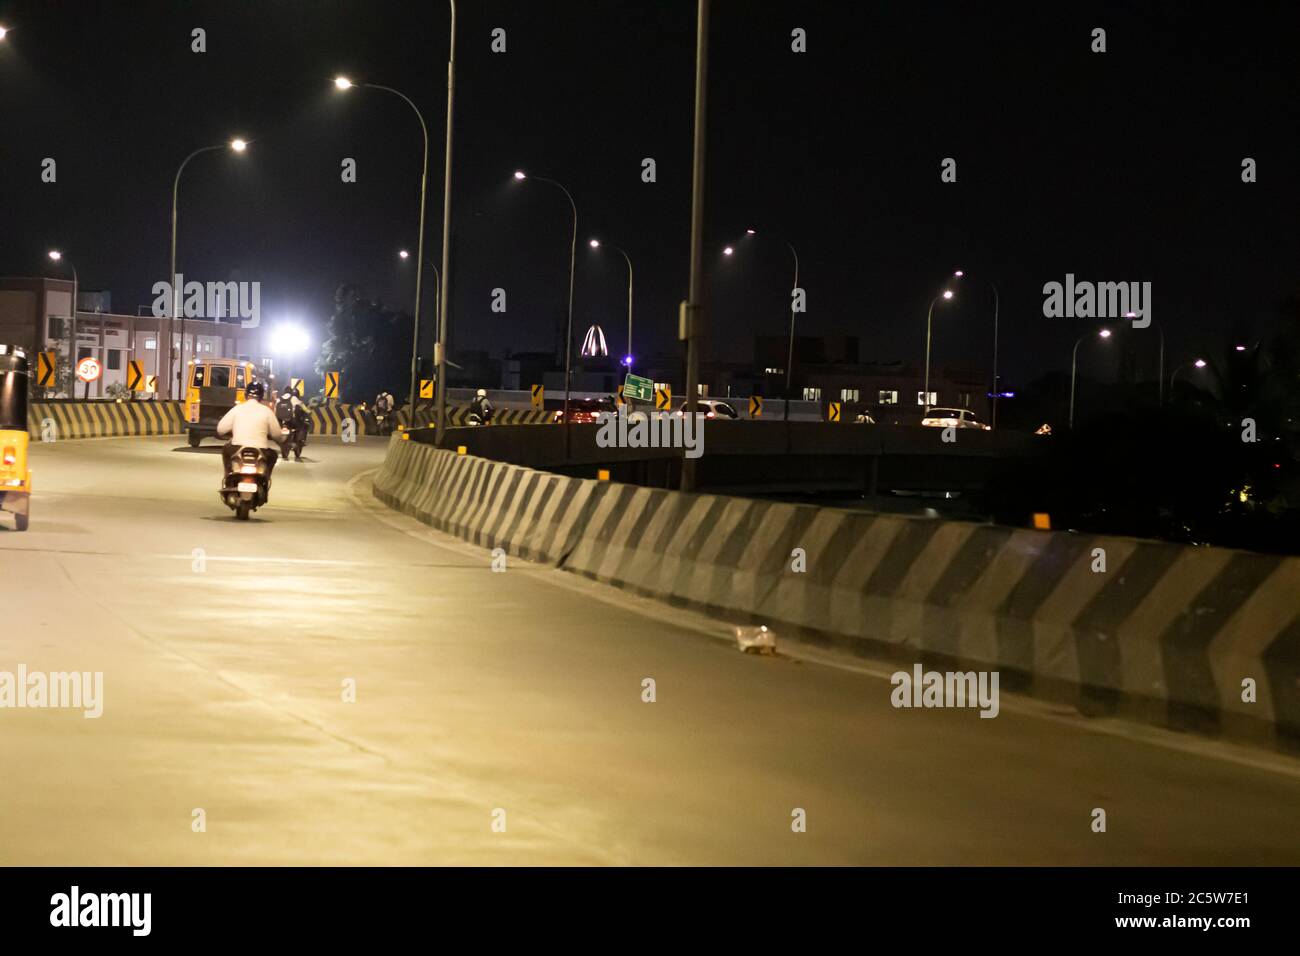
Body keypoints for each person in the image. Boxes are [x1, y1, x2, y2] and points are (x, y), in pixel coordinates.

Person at [216, 381, 286, 478]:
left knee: (225, 450)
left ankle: (228, 477)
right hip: (261, 450)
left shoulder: (237, 409)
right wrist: (281, 439)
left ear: (245, 395)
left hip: (237, 448)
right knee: (273, 455)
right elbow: (277, 435)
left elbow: (220, 429)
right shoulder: (267, 411)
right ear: (261, 397)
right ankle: (265, 479)